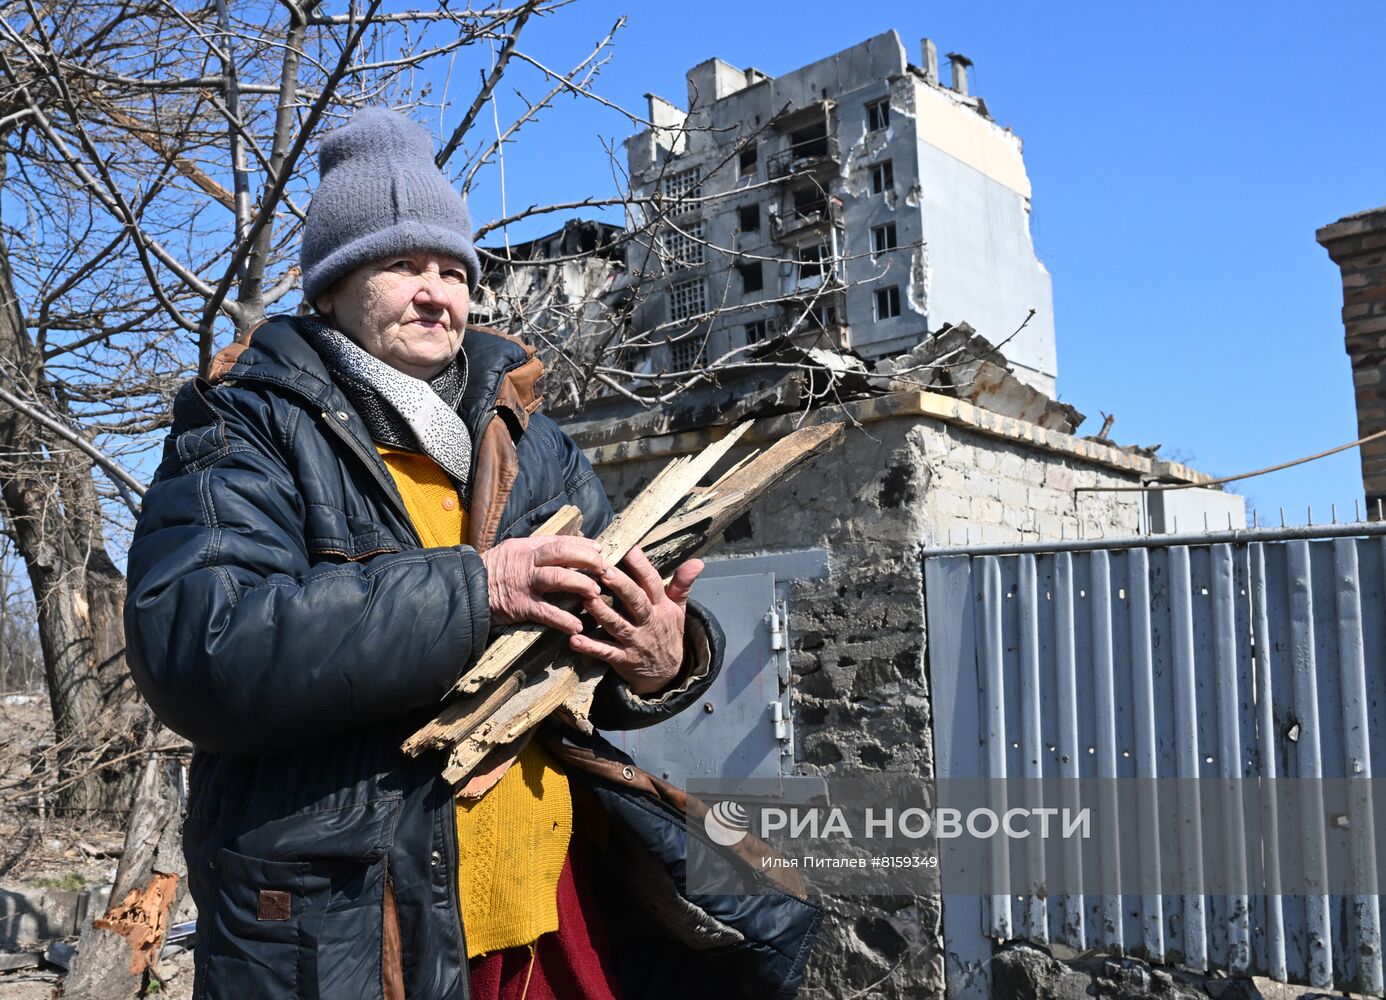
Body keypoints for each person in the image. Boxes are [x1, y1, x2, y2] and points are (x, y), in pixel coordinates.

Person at [124, 108, 820, 1000]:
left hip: (552, 908)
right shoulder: (244, 426)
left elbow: (584, 671)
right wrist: (479, 587)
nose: (437, 292)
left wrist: (663, 657)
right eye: (402, 265)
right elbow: (202, 647)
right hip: (353, 928)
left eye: (454, 270)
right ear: (331, 287)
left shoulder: (534, 443)